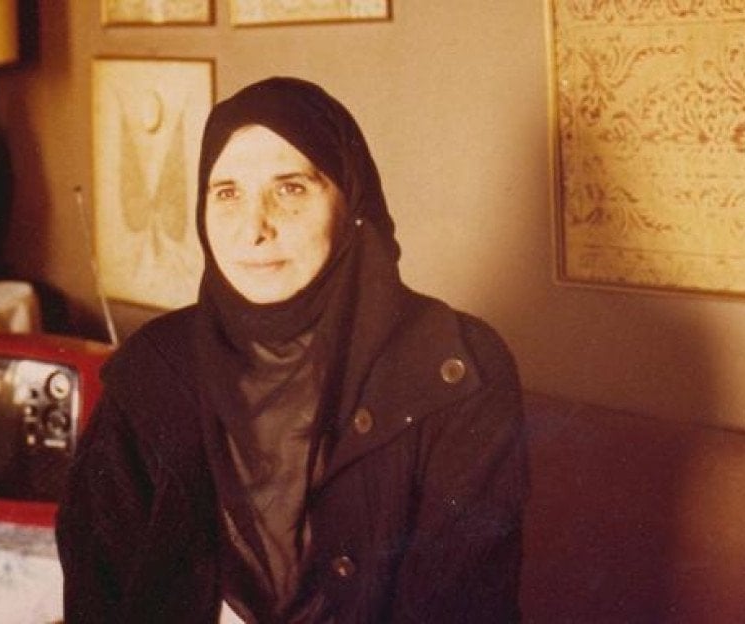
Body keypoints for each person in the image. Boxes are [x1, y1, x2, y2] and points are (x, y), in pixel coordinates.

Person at [55, 76, 528, 623]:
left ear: (352, 201)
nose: (254, 229)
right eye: (227, 193)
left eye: (291, 189)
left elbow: (463, 607)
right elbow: (98, 595)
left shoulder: (459, 368)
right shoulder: (152, 372)